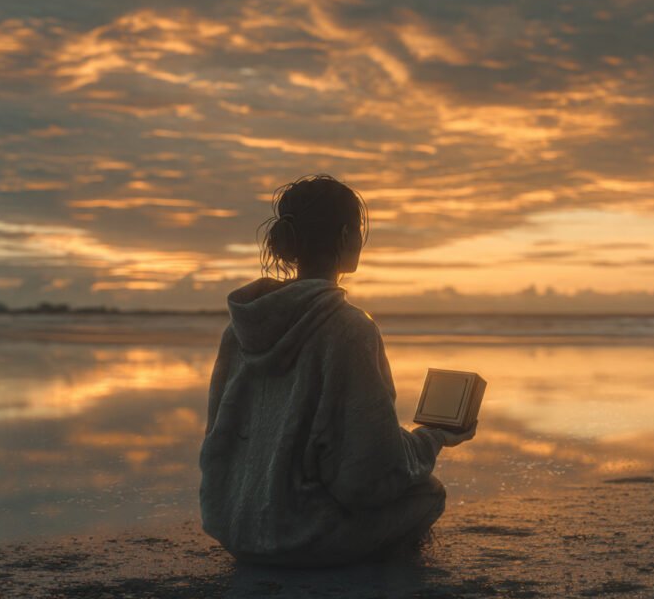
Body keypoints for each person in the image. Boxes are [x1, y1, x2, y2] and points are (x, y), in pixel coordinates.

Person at [199, 174, 476, 567]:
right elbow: (367, 477)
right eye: (359, 231)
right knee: (427, 493)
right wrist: (434, 438)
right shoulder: (349, 328)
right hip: (295, 536)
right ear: (346, 236)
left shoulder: (240, 329)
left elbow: (219, 442)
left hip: (235, 528)